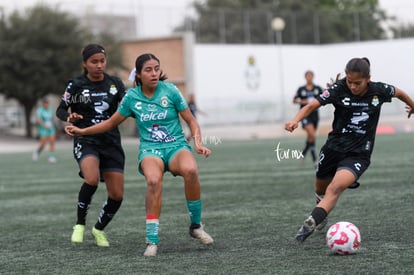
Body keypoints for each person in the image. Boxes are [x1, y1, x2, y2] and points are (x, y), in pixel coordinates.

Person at [65, 53, 214, 256]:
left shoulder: (170, 90)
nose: (154, 73)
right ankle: (152, 241)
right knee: (153, 181)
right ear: (139, 75)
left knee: (191, 170)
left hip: (176, 146)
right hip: (150, 149)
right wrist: (82, 131)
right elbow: (110, 123)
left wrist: (198, 143)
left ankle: (195, 227)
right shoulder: (132, 97)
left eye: (156, 68)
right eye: (148, 70)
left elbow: (192, 121)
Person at [285, 57, 414, 243]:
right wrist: (295, 120)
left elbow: (399, 92)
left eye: (357, 83)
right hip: (332, 149)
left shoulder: (380, 90)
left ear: (368, 79)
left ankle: (311, 221)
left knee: (335, 188)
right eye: (349, 81)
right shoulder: (338, 90)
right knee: (320, 189)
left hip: (358, 153)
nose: (352, 86)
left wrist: (413, 106)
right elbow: (312, 105)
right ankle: (322, 211)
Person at [56, 44, 126, 247]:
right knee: (92, 178)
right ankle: (79, 224)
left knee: (117, 194)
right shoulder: (76, 85)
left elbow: (128, 106)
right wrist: (70, 117)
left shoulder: (115, 84)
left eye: (102, 61)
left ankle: (99, 229)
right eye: (94, 62)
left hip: (111, 142)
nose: (99, 65)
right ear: (85, 64)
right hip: (86, 139)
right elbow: (60, 109)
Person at [292, 70, 323, 167]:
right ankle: (315, 160)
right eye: (307, 76)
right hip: (305, 115)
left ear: (313, 77)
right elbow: (294, 100)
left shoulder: (317, 88)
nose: (309, 77)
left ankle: (304, 153)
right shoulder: (301, 89)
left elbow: (325, 97)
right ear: (305, 77)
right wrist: (304, 101)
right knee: (312, 135)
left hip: (315, 116)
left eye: (311, 76)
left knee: (311, 137)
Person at [32, 97, 57, 163]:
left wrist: (52, 125)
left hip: (51, 128)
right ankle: (37, 152)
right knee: (43, 144)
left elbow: (51, 119)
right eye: (45, 103)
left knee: (52, 142)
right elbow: (39, 120)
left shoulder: (50, 110)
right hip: (43, 129)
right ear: (43, 104)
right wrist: (44, 125)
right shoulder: (40, 110)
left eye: (47, 103)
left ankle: (51, 157)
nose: (46, 104)